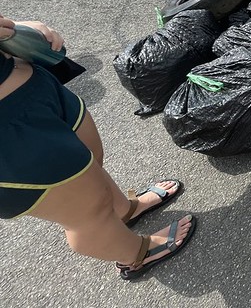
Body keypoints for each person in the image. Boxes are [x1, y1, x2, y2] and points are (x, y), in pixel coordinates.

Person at [0, 14, 196, 280]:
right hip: (10, 140)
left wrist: (18, 31)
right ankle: (136, 254)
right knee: (87, 212)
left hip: (34, 87)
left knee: (90, 161)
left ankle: (123, 210)